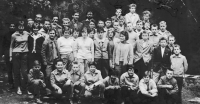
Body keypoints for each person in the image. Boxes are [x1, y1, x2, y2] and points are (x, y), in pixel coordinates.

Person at [10, 24, 29, 95]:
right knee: (16, 71)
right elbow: (11, 46)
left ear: (24, 27)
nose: (21, 28)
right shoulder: (14, 35)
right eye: (19, 26)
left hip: (24, 54)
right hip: (16, 54)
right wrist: (10, 56)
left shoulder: (27, 33)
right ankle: (18, 87)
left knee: (24, 72)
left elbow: (35, 34)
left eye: (22, 26)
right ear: (17, 27)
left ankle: (25, 87)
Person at [2, 23, 16, 89]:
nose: (12, 27)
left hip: (15, 52)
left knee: (15, 68)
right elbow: (3, 45)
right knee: (9, 69)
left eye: (13, 26)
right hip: (7, 52)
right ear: (9, 27)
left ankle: (17, 83)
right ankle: (11, 83)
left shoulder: (17, 34)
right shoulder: (6, 35)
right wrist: (3, 53)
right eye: (11, 26)